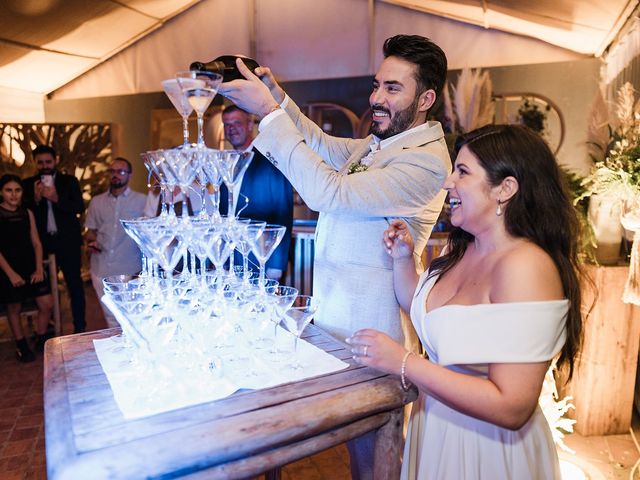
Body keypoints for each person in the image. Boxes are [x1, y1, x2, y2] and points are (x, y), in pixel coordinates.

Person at [219, 34, 451, 479]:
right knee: (349, 449)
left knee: (373, 459)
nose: (376, 98)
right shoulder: (377, 144)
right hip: (334, 320)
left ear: (426, 98)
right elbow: (319, 143)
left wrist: (267, 113)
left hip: (375, 331)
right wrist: (278, 98)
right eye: (377, 84)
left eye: (392, 88)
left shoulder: (426, 161)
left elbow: (330, 192)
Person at [347, 124, 584, 479]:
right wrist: (402, 259)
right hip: (436, 432)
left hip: (487, 450)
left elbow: (512, 405)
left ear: (505, 189)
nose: (447, 182)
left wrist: (405, 362)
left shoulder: (526, 267)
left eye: (462, 171)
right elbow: (428, 313)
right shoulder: (461, 247)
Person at [219, 104, 293, 281]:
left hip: (260, 259)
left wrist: (276, 265)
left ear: (250, 125)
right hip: (229, 260)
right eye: (227, 125)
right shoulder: (223, 161)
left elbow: (283, 211)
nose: (231, 129)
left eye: (236, 123)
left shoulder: (270, 157)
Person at [23, 145, 86, 334]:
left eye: (48, 162)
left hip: (68, 242)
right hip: (42, 244)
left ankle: (79, 327)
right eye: (40, 162)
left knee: (74, 285)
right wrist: (35, 199)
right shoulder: (27, 184)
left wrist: (56, 198)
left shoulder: (69, 181)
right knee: (45, 289)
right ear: (35, 163)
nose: (44, 166)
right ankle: (48, 328)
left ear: (55, 160)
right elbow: (24, 214)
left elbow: (79, 207)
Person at [85, 158, 146, 328]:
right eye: (112, 171)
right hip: (101, 268)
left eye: (120, 171)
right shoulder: (97, 202)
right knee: (111, 318)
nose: (115, 175)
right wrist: (91, 242)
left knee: (132, 317)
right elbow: (91, 231)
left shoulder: (143, 201)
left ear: (129, 175)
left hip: (130, 268)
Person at [0, 174, 54, 362]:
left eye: (17, 190)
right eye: (9, 190)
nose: (14, 195)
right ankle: (21, 344)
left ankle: (40, 338)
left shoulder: (27, 212)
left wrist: (39, 268)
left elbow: (37, 243)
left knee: (47, 303)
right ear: (1, 192)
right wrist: (11, 274)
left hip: (30, 265)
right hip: (7, 269)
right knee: (14, 307)